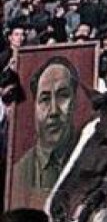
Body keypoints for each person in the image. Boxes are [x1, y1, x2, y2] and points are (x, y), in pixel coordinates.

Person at [11, 57, 78, 209]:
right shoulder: (17, 175)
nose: (54, 111)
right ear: (34, 108)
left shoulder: (93, 161)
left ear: (74, 102)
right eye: (45, 99)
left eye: (62, 96)